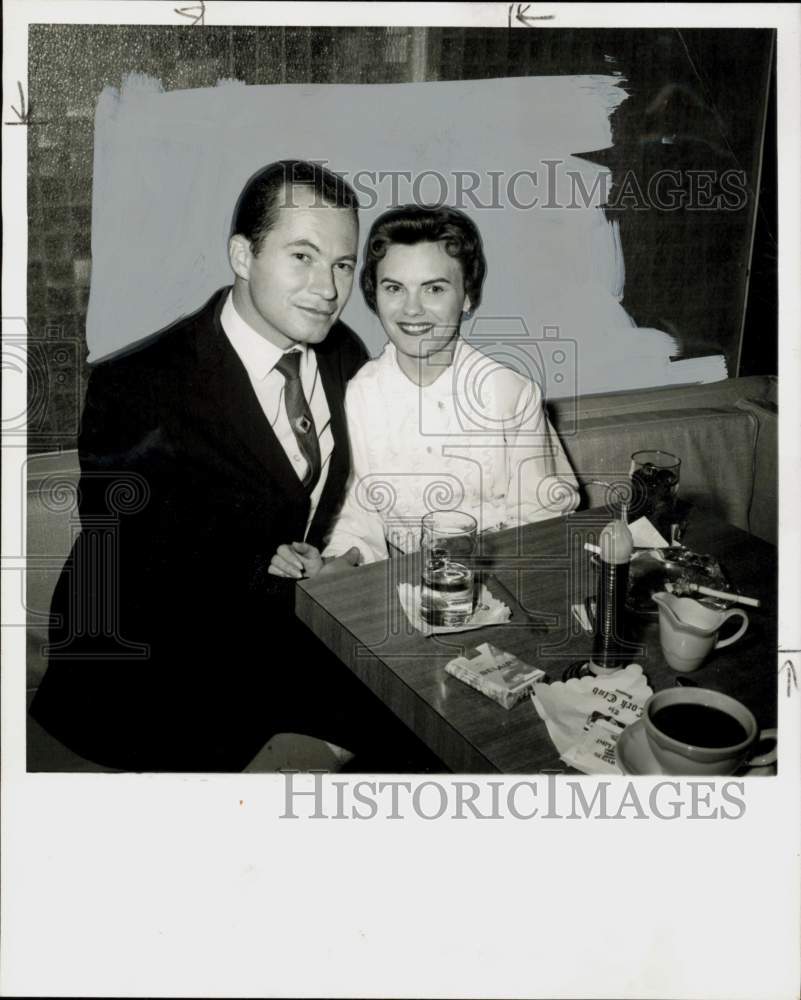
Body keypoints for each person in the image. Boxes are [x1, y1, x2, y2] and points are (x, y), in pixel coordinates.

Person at [30, 160, 436, 773]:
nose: (328, 287)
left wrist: (341, 561)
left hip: (293, 634)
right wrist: (287, 581)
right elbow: (130, 569)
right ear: (242, 255)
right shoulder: (139, 385)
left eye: (343, 264)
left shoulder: (344, 352)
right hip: (155, 668)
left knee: (434, 732)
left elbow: (357, 492)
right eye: (302, 256)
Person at [269, 204, 579, 582]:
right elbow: (361, 513)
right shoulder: (361, 394)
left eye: (434, 288)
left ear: (467, 296)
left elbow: (543, 519)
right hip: (407, 591)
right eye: (395, 288)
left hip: (506, 585)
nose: (412, 309)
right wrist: (340, 562)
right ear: (374, 295)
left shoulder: (510, 393)